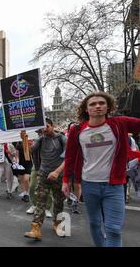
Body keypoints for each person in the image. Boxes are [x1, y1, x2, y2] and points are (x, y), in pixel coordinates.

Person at [62, 92, 140, 247]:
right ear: (86, 109)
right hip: (89, 184)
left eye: (101, 103)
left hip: (115, 186)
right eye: (92, 104)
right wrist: (65, 180)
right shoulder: (77, 130)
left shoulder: (119, 123)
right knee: (95, 224)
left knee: (114, 229)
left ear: (108, 106)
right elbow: (70, 157)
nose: (97, 106)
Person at [24, 118, 67, 241]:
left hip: (58, 176)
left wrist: (57, 172)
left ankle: (58, 224)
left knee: (58, 202)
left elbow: (68, 158)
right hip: (43, 175)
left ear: (52, 126)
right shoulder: (40, 139)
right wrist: (24, 139)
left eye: (47, 126)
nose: (44, 129)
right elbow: (28, 153)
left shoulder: (62, 139)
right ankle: (35, 228)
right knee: (40, 202)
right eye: (42, 127)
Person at [26, 130, 53, 218]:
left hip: (48, 166)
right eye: (39, 133)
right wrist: (26, 141)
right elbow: (29, 151)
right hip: (37, 166)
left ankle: (47, 208)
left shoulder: (53, 139)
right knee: (32, 186)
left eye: (41, 133)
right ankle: (34, 205)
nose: (40, 134)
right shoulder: (35, 141)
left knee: (47, 188)